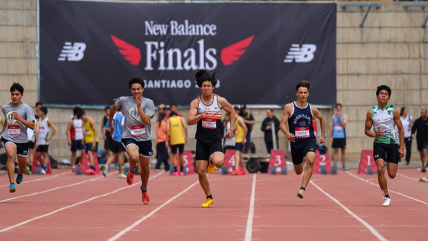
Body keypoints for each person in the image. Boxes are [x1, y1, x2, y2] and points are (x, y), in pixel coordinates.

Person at [187, 69, 235, 208]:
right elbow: (189, 120)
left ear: (213, 87)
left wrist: (231, 128)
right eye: (204, 86)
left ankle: (212, 162)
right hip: (201, 139)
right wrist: (199, 116)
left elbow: (232, 111)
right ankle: (209, 197)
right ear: (200, 87)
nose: (206, 88)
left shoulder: (219, 100)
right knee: (201, 172)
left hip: (215, 138)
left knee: (219, 161)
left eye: (209, 86)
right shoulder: (196, 103)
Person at [109, 77, 155, 205]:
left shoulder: (149, 103)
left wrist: (139, 107)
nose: (136, 92)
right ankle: (132, 170)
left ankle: (144, 190)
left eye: (138, 89)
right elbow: (113, 108)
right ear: (130, 90)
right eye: (134, 89)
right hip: (129, 136)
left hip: (144, 138)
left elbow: (146, 121)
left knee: (145, 168)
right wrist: (110, 123)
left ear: (143, 89)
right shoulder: (124, 101)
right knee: (134, 157)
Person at [279, 80, 326, 199]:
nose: (303, 95)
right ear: (297, 93)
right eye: (301, 92)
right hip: (295, 143)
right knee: (298, 171)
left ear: (308, 94)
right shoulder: (289, 107)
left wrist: (322, 135)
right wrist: (287, 133)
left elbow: (322, 119)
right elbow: (282, 124)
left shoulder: (312, 109)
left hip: (309, 139)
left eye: (305, 92)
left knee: (311, 159)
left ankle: (302, 189)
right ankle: (302, 159)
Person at [364, 85, 404, 207]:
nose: (383, 95)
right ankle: (386, 196)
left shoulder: (393, 111)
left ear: (388, 97)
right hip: (379, 143)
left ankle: (388, 167)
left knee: (392, 175)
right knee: (380, 168)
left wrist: (401, 147)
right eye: (381, 93)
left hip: (392, 143)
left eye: (386, 94)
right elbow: (366, 130)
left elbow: (401, 129)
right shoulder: (371, 112)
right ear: (377, 96)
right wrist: (374, 135)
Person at [0, 83, 35, 193]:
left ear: (22, 95)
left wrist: (19, 119)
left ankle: (20, 173)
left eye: (17, 94)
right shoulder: (5, 107)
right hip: (9, 137)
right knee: (10, 155)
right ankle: (11, 183)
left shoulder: (27, 109)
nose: (14, 96)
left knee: (23, 167)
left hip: (22, 141)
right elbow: (7, 119)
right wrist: (2, 131)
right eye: (13, 94)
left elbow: (32, 126)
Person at [102, 107, 126, 178]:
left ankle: (106, 165)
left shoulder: (112, 116)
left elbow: (107, 127)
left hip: (113, 138)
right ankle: (120, 173)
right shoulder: (122, 117)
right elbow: (123, 128)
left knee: (114, 154)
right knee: (121, 155)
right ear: (122, 109)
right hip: (120, 138)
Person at [36, 107, 57, 174]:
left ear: (43, 112)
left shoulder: (47, 120)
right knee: (38, 154)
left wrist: (50, 137)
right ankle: (43, 166)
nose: (38, 112)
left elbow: (54, 129)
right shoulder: (38, 120)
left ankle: (44, 168)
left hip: (45, 141)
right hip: (39, 140)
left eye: (40, 111)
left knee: (45, 154)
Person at [166, 111, 188, 176]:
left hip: (173, 140)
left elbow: (167, 130)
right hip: (181, 140)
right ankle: (181, 171)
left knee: (174, 155)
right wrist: (186, 137)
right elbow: (185, 127)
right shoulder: (181, 118)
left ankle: (175, 171)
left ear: (170, 116)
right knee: (181, 155)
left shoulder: (169, 120)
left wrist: (166, 140)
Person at [78, 110, 99, 175]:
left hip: (93, 140)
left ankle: (92, 167)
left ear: (84, 115)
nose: (82, 119)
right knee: (88, 154)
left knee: (90, 153)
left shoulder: (91, 121)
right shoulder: (84, 122)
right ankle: (93, 168)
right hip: (87, 140)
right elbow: (86, 131)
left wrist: (94, 141)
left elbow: (96, 131)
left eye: (82, 118)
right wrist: (84, 139)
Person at [330, 103, 349, 171]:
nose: (338, 109)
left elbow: (344, 124)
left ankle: (343, 165)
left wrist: (340, 117)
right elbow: (332, 126)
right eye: (337, 108)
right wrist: (331, 136)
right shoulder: (333, 116)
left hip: (342, 136)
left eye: (339, 108)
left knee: (343, 150)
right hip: (335, 136)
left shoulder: (344, 116)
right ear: (336, 109)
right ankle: (334, 165)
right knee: (335, 150)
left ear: (341, 109)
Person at [66, 106, 85, 172]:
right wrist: (68, 139)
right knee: (74, 152)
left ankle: (79, 163)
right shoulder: (71, 120)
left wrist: (84, 137)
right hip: (74, 138)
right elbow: (67, 130)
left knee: (83, 151)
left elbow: (82, 129)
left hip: (81, 138)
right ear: (77, 112)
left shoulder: (81, 120)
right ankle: (73, 166)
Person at [230, 107, 248, 175]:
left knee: (236, 154)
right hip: (237, 139)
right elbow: (238, 131)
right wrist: (232, 135)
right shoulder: (236, 120)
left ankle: (237, 168)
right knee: (239, 155)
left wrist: (243, 138)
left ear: (237, 111)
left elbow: (246, 129)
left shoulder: (240, 119)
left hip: (240, 140)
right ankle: (243, 169)